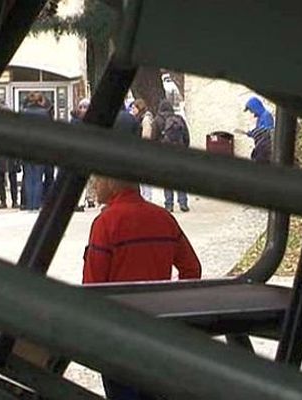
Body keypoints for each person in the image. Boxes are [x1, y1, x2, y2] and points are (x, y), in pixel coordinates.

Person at [82, 176, 201, 399]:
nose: (94, 185)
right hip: (157, 328)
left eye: (97, 179)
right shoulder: (163, 218)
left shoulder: (105, 223)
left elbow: (92, 286)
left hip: (117, 332)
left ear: (111, 182)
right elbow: (192, 269)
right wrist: (171, 304)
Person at [152, 100, 191, 212]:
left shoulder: (157, 120)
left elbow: (153, 139)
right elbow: (186, 137)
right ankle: (183, 203)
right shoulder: (179, 119)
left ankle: (169, 204)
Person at [22, 92, 51, 210]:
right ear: (40, 101)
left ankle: (29, 205)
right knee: (38, 178)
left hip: (26, 149)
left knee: (29, 177)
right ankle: (36, 205)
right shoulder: (45, 114)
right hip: (41, 148)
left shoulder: (23, 113)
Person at [131, 99, 154, 202]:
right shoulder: (140, 118)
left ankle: (147, 198)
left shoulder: (145, 119)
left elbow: (146, 136)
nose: (132, 110)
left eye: (134, 108)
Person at [239, 96, 274, 163]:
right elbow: (259, 132)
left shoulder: (266, 115)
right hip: (260, 146)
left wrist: (255, 132)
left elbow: (268, 131)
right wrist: (251, 133)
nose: (251, 112)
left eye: (251, 109)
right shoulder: (259, 118)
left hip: (265, 148)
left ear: (255, 107)